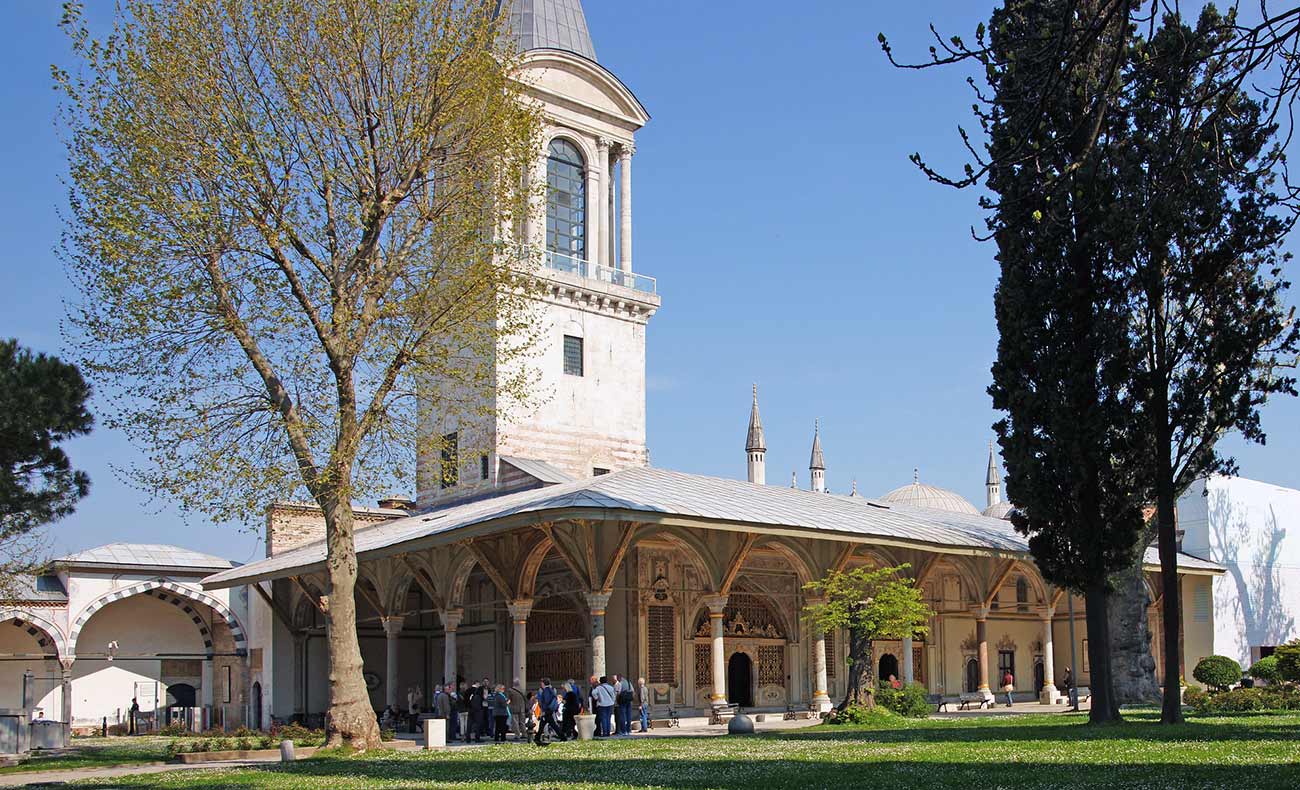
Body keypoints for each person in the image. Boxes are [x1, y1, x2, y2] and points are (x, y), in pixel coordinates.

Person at [534, 677, 563, 744]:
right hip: (549, 710)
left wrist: (544, 710)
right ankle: (537, 737)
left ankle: (537, 737)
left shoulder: (546, 690)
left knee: (549, 725)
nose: (541, 684)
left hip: (547, 710)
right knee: (547, 724)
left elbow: (546, 701)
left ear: (543, 683)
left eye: (542, 683)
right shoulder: (551, 690)